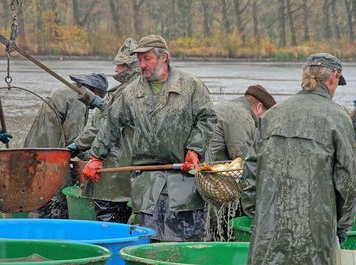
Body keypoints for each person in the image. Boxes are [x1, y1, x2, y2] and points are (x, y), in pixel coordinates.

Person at [82, 34, 217, 241]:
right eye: (139, 60)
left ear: (163, 57)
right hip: (148, 181)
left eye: (147, 59)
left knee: (186, 243)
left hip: (185, 179)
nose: (142, 65)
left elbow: (208, 118)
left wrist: (194, 149)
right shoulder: (131, 91)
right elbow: (110, 123)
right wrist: (95, 157)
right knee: (150, 243)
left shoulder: (191, 86)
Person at [243, 53, 356, 265]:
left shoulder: (272, 115)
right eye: (337, 84)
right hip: (315, 234)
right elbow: (348, 181)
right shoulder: (338, 117)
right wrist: (343, 225)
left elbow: (250, 170)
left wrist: (258, 215)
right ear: (333, 77)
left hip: (267, 232)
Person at [67, 38, 141, 223]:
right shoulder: (140, 89)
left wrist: (77, 145)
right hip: (130, 168)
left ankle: (110, 249)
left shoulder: (125, 92)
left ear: (131, 66)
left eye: (120, 66)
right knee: (124, 214)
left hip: (113, 167)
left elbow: (101, 126)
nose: (116, 70)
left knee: (108, 216)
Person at [24, 73, 108, 218]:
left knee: (38, 199)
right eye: (100, 96)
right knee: (57, 198)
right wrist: (91, 156)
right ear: (94, 92)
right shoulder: (78, 101)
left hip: (32, 150)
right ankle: (56, 226)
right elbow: (73, 138)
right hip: (51, 156)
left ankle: (36, 224)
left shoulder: (63, 92)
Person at [207, 84, 276, 161]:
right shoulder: (243, 117)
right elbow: (243, 160)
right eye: (266, 115)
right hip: (206, 168)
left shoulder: (232, 107)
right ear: (259, 107)